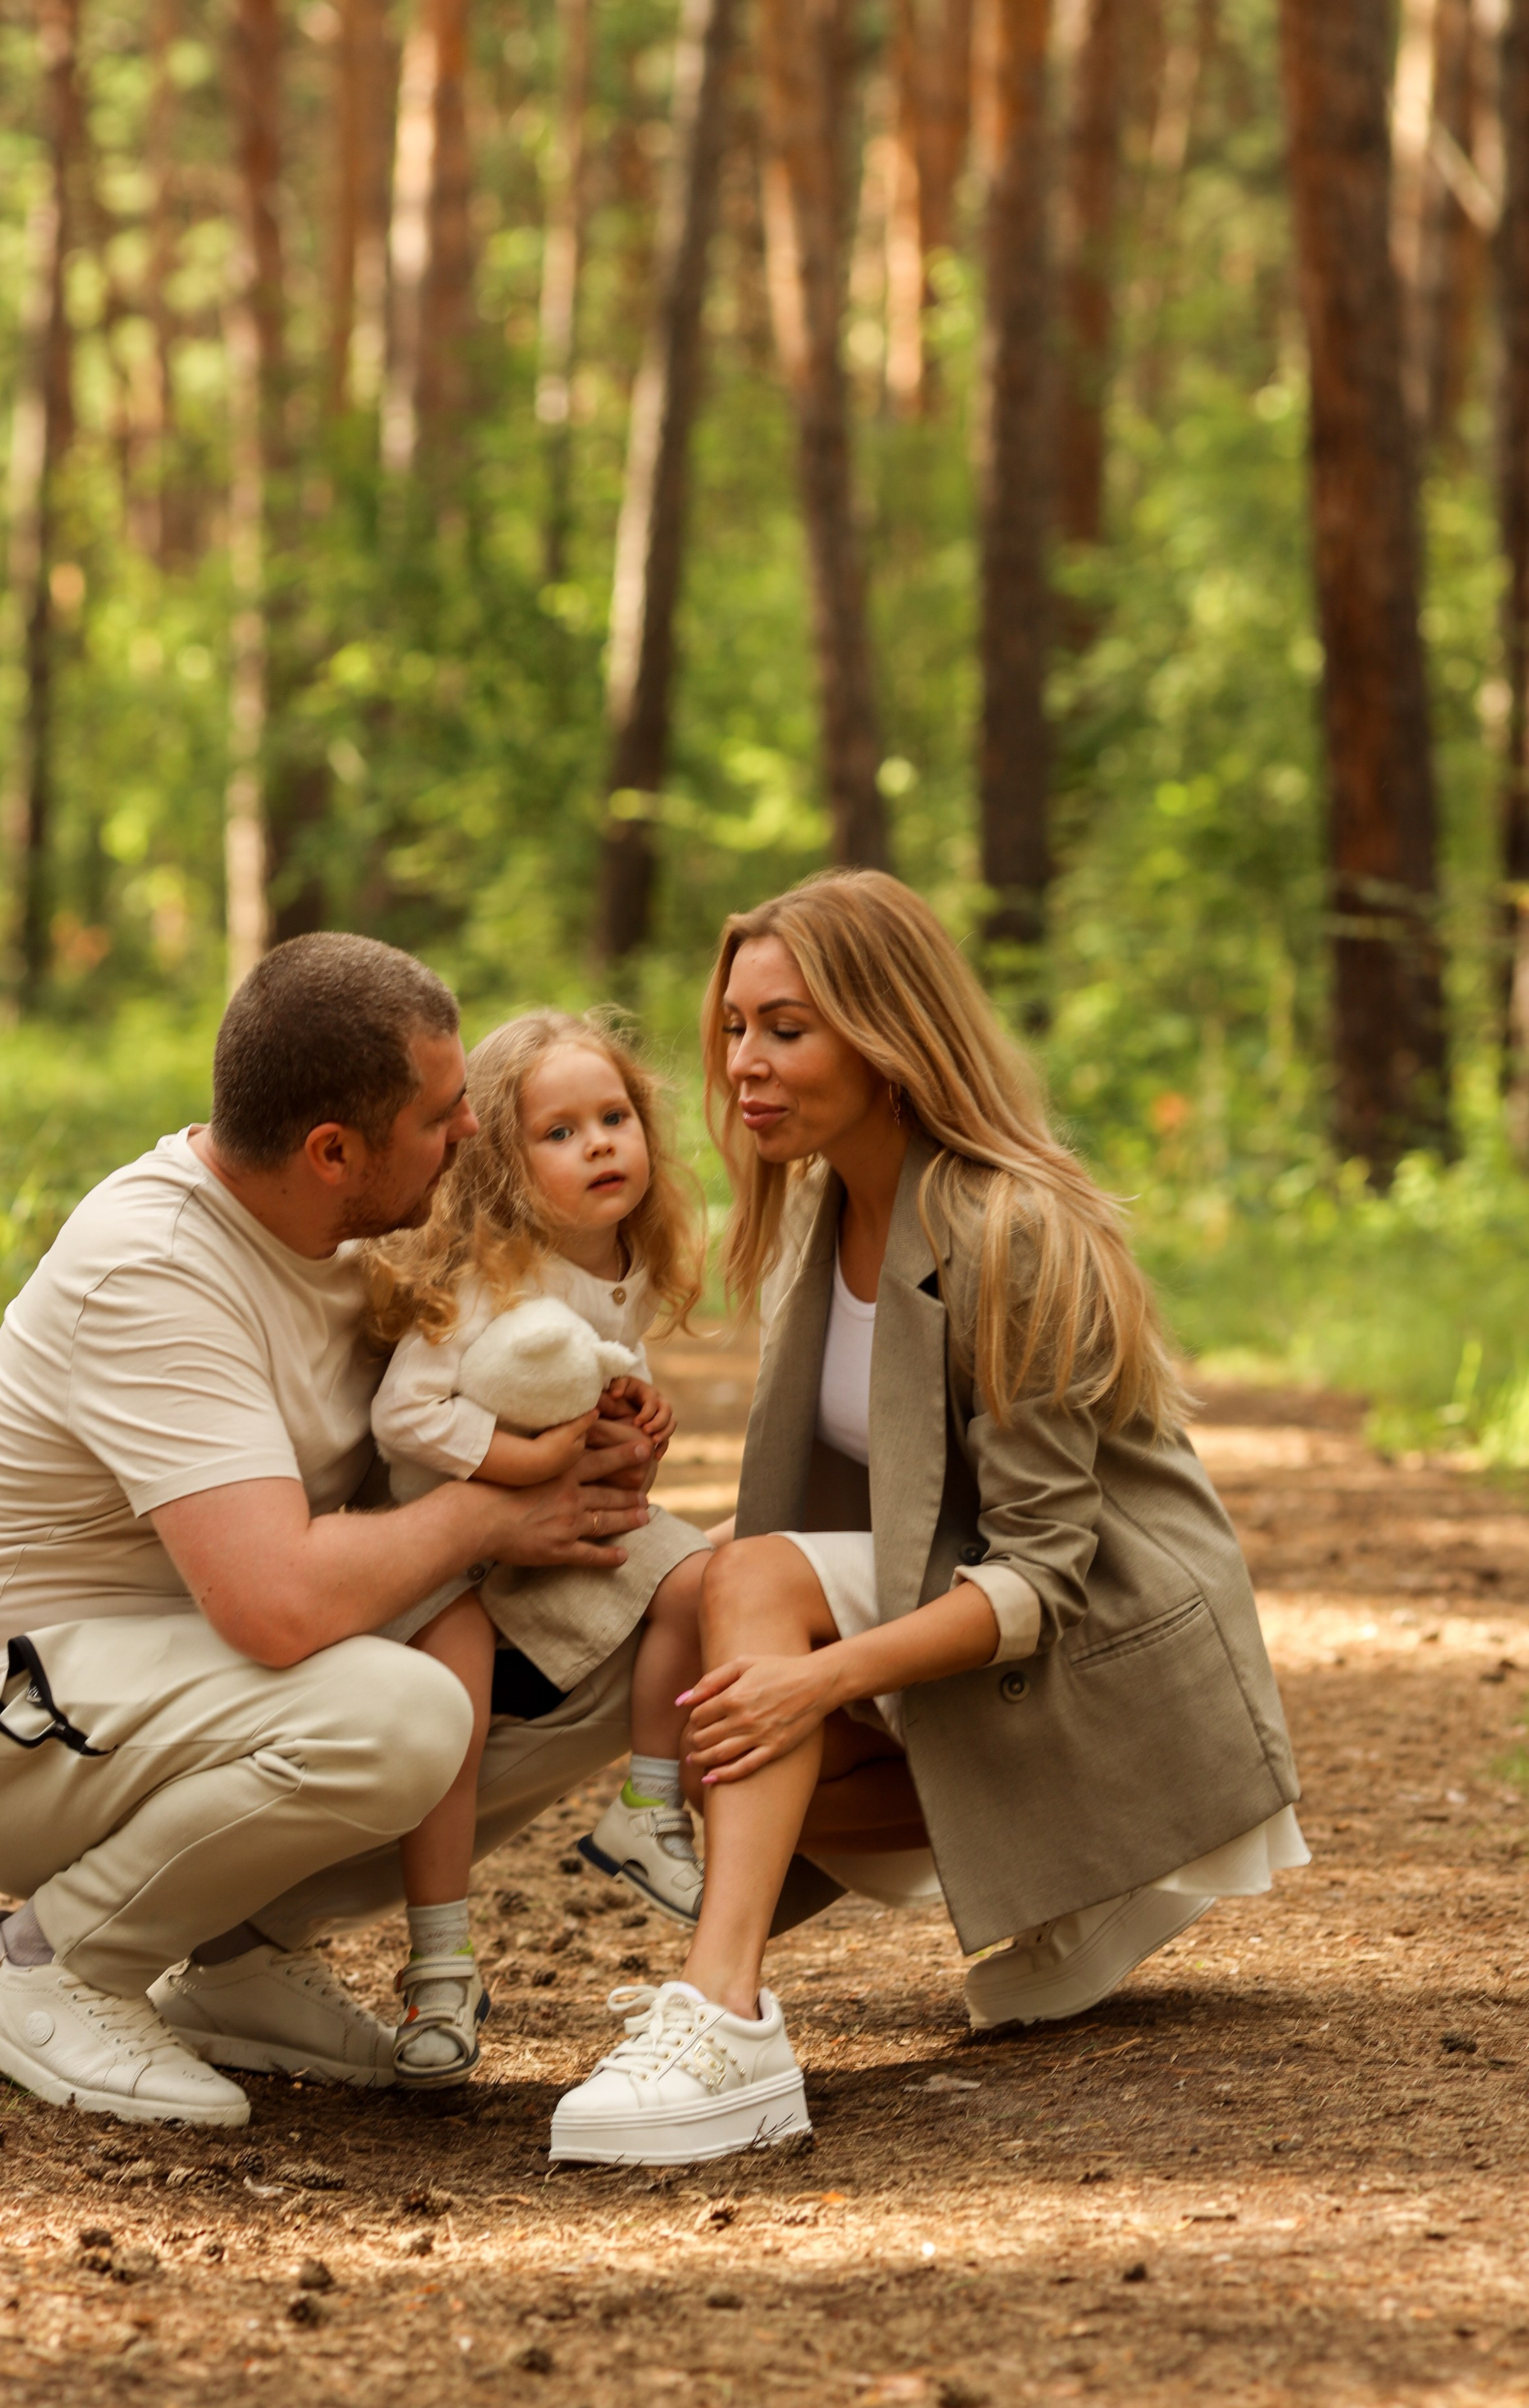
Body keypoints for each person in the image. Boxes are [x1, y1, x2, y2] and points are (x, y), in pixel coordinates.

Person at [549, 871, 1307, 2167]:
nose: (744, 1065)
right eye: (734, 1029)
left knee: (754, 1590)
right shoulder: (820, 1213)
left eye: (789, 1029)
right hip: (972, 1627)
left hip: (1106, 1656)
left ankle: (723, 2015)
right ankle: (1040, 1899)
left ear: (891, 1036)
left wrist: (823, 1678)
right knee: (709, 1607)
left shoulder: (1016, 1228)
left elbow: (1047, 1578)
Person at [0, 935, 656, 2128]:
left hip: (190, 1690)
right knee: (401, 1717)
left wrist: (589, 1442)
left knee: (630, 1603)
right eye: (445, 1117)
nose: (474, 1138)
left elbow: (438, 1445)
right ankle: (54, 1963)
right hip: (7, 1721)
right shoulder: (153, 1268)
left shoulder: (364, 1236)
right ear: (331, 1152)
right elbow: (279, 1602)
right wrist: (501, 1509)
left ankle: (237, 1950)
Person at [365, 1011, 713, 2085]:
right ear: (505, 1169)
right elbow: (403, 1417)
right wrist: (521, 1469)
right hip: (448, 1552)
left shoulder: (623, 1262)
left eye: (614, 1117)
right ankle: (439, 1965)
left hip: (550, 1537)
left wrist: (642, 1417)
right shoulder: (493, 1276)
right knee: (452, 1701)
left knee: (703, 1579)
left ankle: (650, 1809)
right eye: (559, 1133)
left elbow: (608, 1364)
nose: (601, 1144)